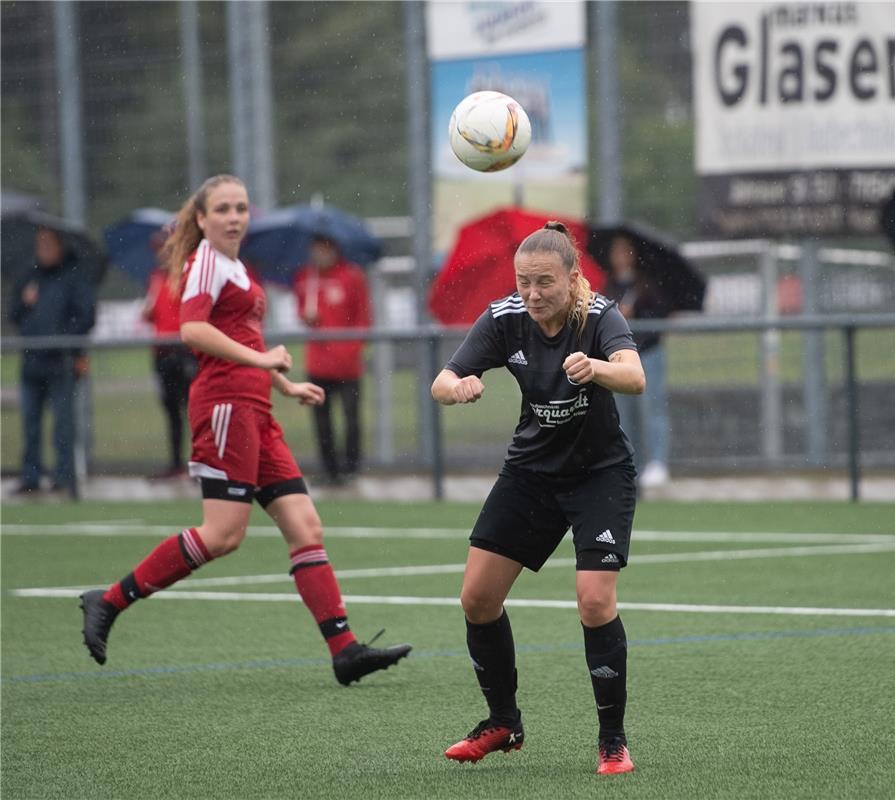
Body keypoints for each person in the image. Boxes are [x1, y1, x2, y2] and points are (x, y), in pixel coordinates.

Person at [80, 175, 411, 685]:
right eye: (224, 209)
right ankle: (108, 599)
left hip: (255, 408)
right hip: (225, 408)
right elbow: (192, 329)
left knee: (306, 527)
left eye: (241, 208)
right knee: (222, 535)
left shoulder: (234, 266)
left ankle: (345, 651)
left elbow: (241, 334)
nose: (235, 217)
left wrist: (282, 383)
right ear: (202, 219)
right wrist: (261, 359)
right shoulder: (207, 260)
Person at [431, 221, 645, 775]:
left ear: (573, 279)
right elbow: (442, 379)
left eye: (544, 282)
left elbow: (635, 376)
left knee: (594, 601)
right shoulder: (505, 317)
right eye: (523, 282)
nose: (532, 294)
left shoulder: (599, 315)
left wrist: (595, 367)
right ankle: (503, 721)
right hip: (531, 474)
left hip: (599, 473)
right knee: (477, 598)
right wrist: (457, 388)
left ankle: (612, 742)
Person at [9, 226, 96, 495]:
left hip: (62, 363)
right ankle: (31, 476)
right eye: (40, 244)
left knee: (63, 423)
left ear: (60, 246)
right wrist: (25, 303)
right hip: (32, 362)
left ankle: (63, 476)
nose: (43, 249)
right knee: (30, 423)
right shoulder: (29, 277)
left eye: (49, 243)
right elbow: (13, 314)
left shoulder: (74, 277)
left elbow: (86, 317)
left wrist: (61, 339)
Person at [292, 236, 370, 485]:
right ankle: (329, 469)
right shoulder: (305, 277)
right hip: (318, 364)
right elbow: (302, 312)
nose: (320, 253)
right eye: (315, 248)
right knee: (321, 420)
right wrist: (307, 316)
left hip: (347, 365)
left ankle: (351, 469)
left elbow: (364, 317)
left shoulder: (351, 276)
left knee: (351, 417)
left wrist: (352, 348)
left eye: (325, 247)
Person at [604, 233, 672, 489]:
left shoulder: (646, 284)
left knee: (652, 407)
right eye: (617, 251)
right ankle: (628, 462)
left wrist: (638, 314)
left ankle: (657, 462)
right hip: (621, 356)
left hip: (648, 353)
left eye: (626, 251)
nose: (621, 257)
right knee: (622, 413)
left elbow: (661, 315)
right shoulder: (609, 285)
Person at [141, 230, 199, 478]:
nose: (162, 255)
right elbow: (154, 313)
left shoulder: (188, 277)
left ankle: (200, 464)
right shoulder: (156, 279)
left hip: (184, 350)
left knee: (194, 409)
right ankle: (176, 462)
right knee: (171, 409)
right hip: (162, 352)